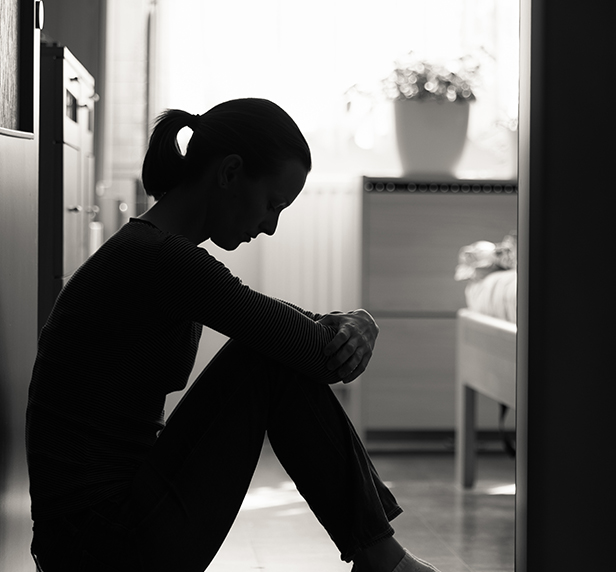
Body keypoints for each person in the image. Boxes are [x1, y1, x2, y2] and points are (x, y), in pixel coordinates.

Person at [26, 98, 440, 572]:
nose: (270, 226)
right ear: (229, 173)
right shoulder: (163, 261)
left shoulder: (152, 249)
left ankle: (381, 558)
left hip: (98, 535)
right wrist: (347, 329)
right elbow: (300, 346)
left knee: (268, 353)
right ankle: (383, 561)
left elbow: (274, 322)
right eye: (271, 204)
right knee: (264, 360)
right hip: (100, 549)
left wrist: (353, 320)